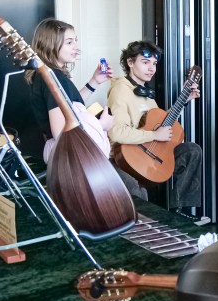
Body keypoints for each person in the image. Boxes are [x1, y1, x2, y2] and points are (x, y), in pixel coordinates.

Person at [26, 18, 145, 197]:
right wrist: (101, 125)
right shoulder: (53, 79)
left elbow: (68, 108)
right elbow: (61, 133)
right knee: (133, 192)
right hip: (73, 158)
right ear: (50, 44)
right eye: (69, 42)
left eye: (75, 40)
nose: (76, 46)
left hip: (69, 157)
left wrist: (94, 81)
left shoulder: (51, 76)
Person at [106, 40, 203, 209]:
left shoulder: (146, 95)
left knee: (192, 151)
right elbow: (116, 132)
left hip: (148, 153)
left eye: (154, 63)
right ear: (130, 62)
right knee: (138, 191)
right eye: (145, 62)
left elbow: (159, 123)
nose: (151, 68)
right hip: (125, 158)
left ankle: (180, 209)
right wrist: (154, 135)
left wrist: (184, 100)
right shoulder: (121, 90)